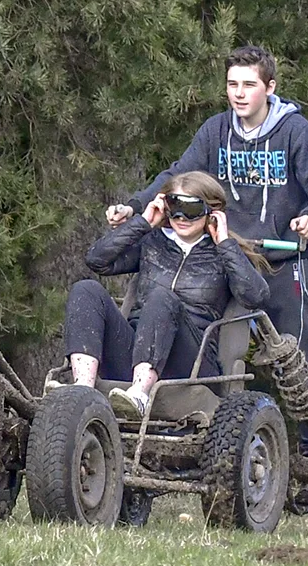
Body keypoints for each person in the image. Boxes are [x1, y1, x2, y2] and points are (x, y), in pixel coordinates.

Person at [105, 47, 308, 445]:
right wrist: (134, 207)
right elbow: (177, 174)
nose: (239, 93)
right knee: (217, 351)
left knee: (303, 353)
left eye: (249, 84)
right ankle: (212, 438)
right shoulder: (216, 130)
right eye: (232, 84)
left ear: (270, 88)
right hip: (231, 258)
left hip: (285, 260)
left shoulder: (295, 132)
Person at [67, 173, 271, 415]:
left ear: (211, 211)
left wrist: (225, 243)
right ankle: (81, 390)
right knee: (86, 289)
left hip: (192, 363)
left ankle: (140, 395)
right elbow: (97, 260)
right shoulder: (153, 243)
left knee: (162, 298)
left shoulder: (226, 253)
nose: (181, 217)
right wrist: (143, 222)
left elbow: (255, 297)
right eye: (175, 207)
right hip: (137, 352)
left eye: (191, 209)